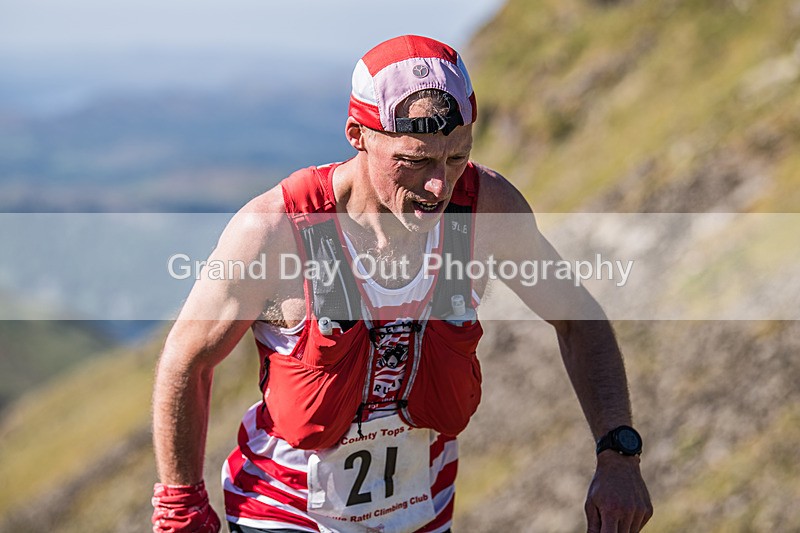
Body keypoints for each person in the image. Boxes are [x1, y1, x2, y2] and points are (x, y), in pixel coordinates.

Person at [152, 35, 653, 533]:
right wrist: (182, 508)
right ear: (357, 134)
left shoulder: (484, 210)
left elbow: (576, 316)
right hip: (282, 510)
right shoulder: (274, 230)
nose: (439, 186)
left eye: (456, 157)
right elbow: (187, 358)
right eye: (415, 161)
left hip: (423, 515)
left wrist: (618, 455)